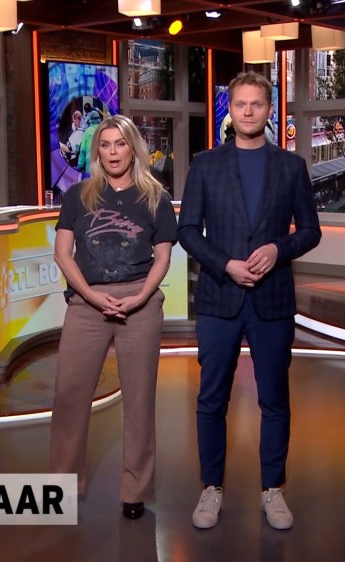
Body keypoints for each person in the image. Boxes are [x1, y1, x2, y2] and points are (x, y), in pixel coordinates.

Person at [178, 71, 322, 531]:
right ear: (230, 109)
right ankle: (211, 488)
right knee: (211, 400)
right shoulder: (205, 165)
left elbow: (311, 231)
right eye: (240, 104)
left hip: (272, 301)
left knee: (274, 400)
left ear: (269, 110)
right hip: (219, 299)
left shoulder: (291, 167)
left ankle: (272, 490)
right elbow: (187, 232)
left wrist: (279, 249)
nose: (247, 111)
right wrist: (224, 264)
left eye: (256, 104)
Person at [49, 114, 177, 521]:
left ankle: (134, 491)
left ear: (132, 148)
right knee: (69, 395)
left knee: (139, 400)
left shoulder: (154, 197)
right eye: (105, 145)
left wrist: (140, 297)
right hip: (87, 303)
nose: (113, 152)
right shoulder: (78, 195)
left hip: (140, 302)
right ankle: (63, 485)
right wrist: (89, 295)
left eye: (120, 144)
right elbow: (62, 254)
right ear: (97, 152)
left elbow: (163, 257)